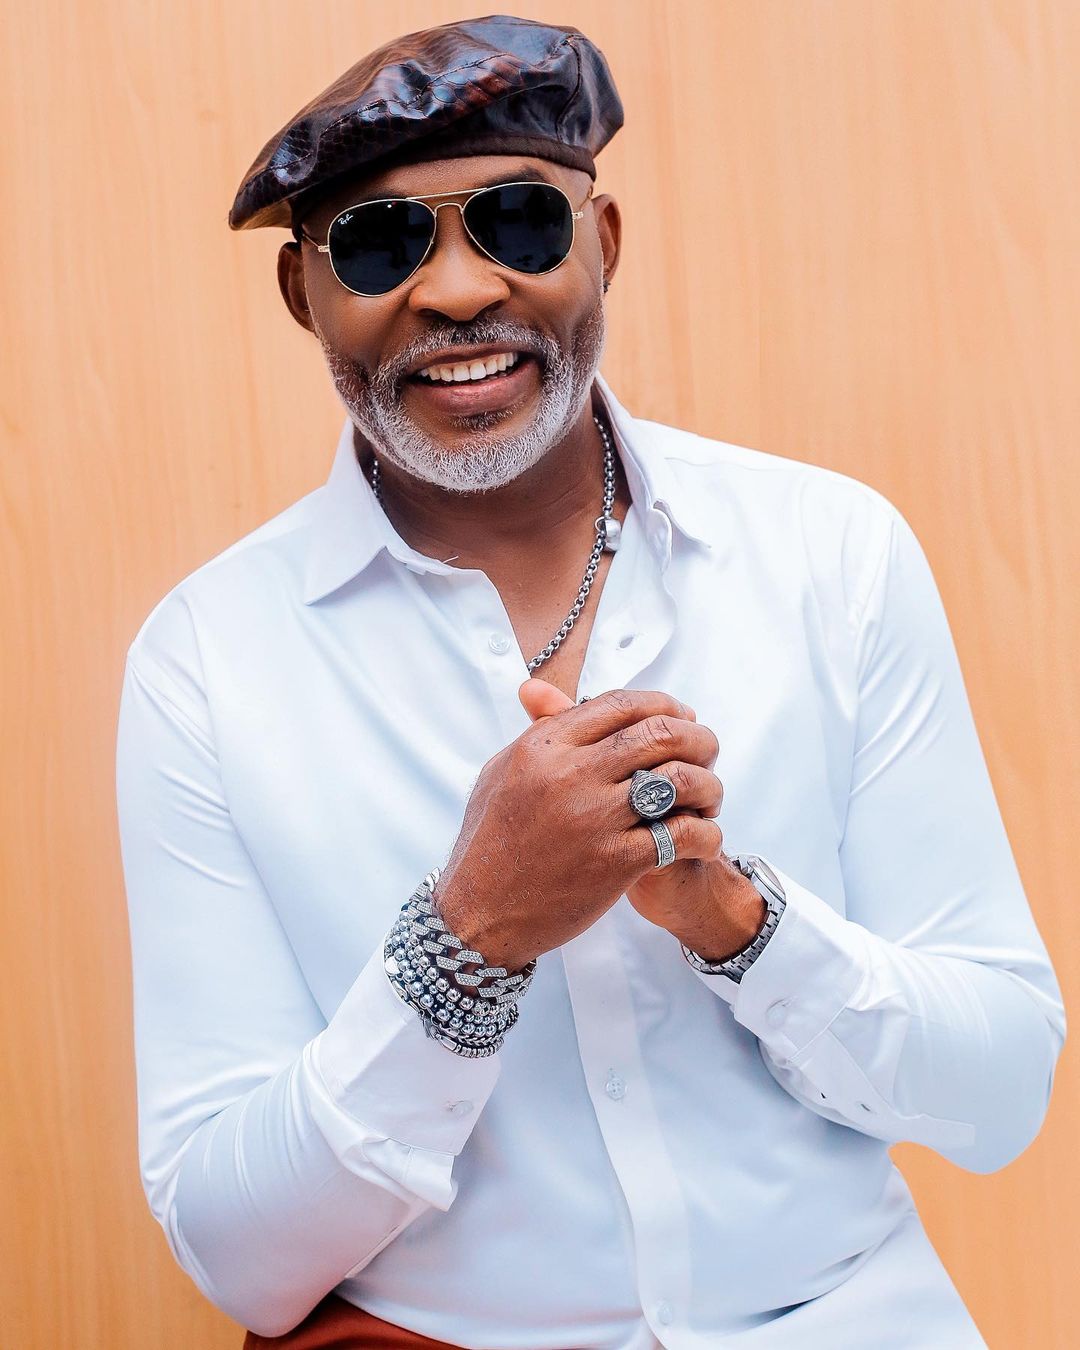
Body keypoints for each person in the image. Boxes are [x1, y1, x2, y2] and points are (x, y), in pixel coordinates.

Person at [115, 14, 1066, 1350]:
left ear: (602, 243)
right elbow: (235, 1255)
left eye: (519, 223)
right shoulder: (207, 663)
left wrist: (743, 927)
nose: (456, 293)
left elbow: (1002, 1091)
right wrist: (468, 935)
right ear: (301, 294)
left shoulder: (831, 554)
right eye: (381, 245)